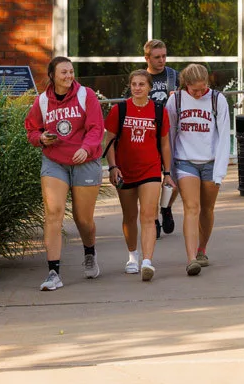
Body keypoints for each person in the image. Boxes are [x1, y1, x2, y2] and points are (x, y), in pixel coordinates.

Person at [25, 56, 104, 291]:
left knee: (83, 219)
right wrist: (40, 138)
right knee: (53, 212)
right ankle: (53, 272)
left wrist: (85, 148)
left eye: (71, 72)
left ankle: (89, 253)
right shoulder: (42, 101)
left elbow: (96, 128)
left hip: (84, 161)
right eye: (63, 73)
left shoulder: (85, 95)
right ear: (52, 76)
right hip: (54, 161)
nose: (69, 76)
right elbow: (31, 128)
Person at [104, 70, 176, 282]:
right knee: (129, 217)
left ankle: (147, 261)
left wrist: (167, 172)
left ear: (150, 87)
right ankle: (132, 256)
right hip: (125, 170)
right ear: (130, 86)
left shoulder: (158, 110)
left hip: (150, 169)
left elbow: (164, 144)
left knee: (148, 215)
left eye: (142, 84)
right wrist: (112, 167)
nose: (137, 88)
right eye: (134, 84)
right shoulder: (120, 109)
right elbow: (109, 141)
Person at [165, 63, 231, 276]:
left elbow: (224, 136)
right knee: (191, 208)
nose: (199, 93)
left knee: (207, 209)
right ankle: (191, 258)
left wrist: (220, 170)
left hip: (211, 162)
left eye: (203, 88)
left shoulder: (217, 99)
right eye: (195, 90)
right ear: (186, 85)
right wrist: (169, 168)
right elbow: (169, 134)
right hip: (185, 160)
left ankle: (202, 249)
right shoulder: (175, 100)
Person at [123, 39, 180, 238]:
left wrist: (178, 97)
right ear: (147, 58)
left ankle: (166, 207)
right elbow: (127, 103)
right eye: (157, 57)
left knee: (174, 178)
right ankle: (153, 218)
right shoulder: (141, 78)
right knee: (151, 181)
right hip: (146, 134)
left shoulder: (173, 76)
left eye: (164, 56)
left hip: (169, 133)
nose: (162, 60)